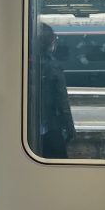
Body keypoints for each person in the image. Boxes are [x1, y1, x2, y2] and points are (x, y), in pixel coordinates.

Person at [37, 22, 76, 159]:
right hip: (51, 128)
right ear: (49, 43)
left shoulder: (20, 64)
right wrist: (70, 129)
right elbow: (62, 102)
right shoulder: (53, 67)